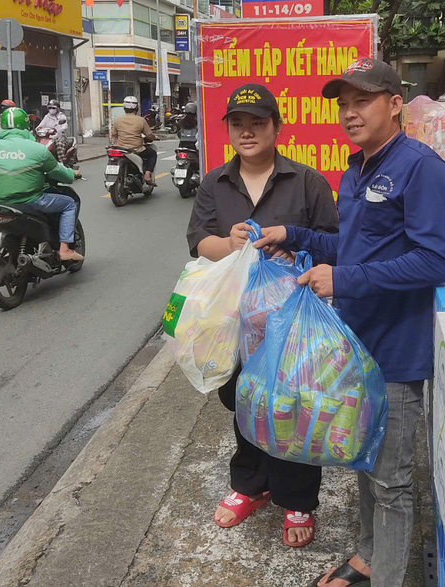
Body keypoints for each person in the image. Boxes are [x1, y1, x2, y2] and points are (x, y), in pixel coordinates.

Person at [254, 58, 445, 586]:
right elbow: (351, 247)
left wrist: (343, 281)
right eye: (343, 104)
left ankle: (388, 575)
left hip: (395, 352)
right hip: (355, 347)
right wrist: (293, 234)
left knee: (391, 483)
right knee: (365, 465)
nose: (349, 113)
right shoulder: (356, 169)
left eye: (362, 101)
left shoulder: (423, 169)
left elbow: (437, 261)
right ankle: (368, 557)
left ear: (395, 104)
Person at [186, 83, 339, 548]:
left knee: (293, 405)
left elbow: (331, 241)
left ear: (276, 126)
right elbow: (198, 242)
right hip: (235, 320)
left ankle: (298, 497)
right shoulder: (215, 181)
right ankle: (252, 483)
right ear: (228, 129)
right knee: (242, 399)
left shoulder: (307, 181)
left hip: (291, 320)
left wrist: (295, 249)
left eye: (257, 123)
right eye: (238, 124)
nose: (247, 132)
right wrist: (229, 245)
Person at [0, 107, 84, 262]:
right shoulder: (38, 149)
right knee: (69, 204)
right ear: (26, 126)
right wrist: (72, 173)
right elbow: (58, 172)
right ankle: (64, 249)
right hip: (29, 200)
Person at [110, 96, 158, 185]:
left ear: (124, 107)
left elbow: (114, 134)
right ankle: (147, 175)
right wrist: (154, 137)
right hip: (136, 149)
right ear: (136, 108)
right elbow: (149, 135)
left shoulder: (118, 120)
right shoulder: (141, 120)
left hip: (121, 148)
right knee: (152, 154)